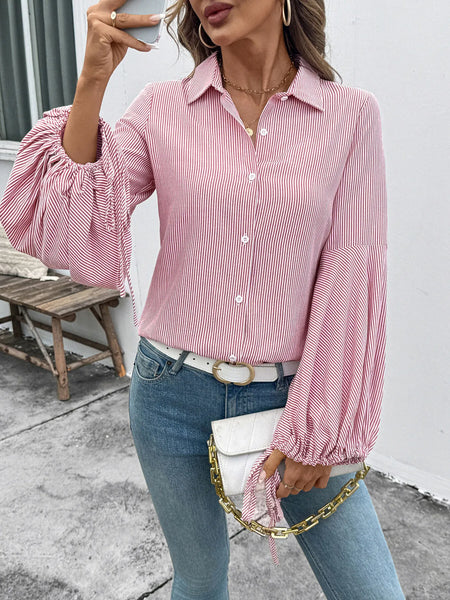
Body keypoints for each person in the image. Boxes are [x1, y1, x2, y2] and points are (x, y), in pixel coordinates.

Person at [0, 0, 406, 598]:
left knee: (371, 590)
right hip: (170, 393)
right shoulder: (162, 109)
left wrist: (321, 426)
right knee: (198, 578)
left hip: (293, 395)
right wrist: (92, 80)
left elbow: (352, 273)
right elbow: (69, 225)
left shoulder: (348, 115)